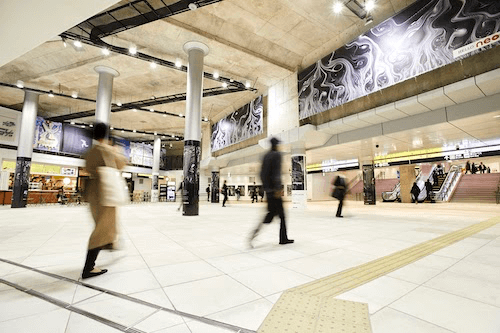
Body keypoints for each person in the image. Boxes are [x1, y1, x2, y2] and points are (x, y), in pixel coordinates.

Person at [81, 122, 127, 279]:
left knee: (102, 224)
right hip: (106, 191)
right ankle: (89, 267)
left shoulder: (90, 151)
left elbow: (86, 167)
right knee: (102, 229)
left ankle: (109, 243)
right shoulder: (105, 149)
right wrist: (117, 151)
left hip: (93, 191)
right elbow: (121, 164)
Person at [249, 137, 293, 246]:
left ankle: (253, 234)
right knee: (281, 216)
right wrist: (277, 189)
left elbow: (262, 174)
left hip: (268, 191)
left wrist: (267, 189)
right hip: (275, 191)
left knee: (269, 216)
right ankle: (283, 239)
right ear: (276, 145)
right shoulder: (276, 155)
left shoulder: (265, 156)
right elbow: (276, 174)